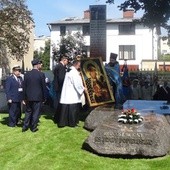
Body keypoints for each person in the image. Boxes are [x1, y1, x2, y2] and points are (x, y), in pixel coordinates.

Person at [58, 59, 86, 127]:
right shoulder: (73, 72)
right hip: (72, 94)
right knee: (72, 109)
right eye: (79, 65)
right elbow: (77, 83)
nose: (80, 67)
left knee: (66, 108)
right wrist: (83, 89)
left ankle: (64, 122)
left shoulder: (69, 70)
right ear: (77, 64)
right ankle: (72, 123)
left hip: (68, 92)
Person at [22, 58, 46, 132]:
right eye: (40, 64)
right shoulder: (41, 74)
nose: (41, 65)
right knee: (36, 113)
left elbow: (24, 87)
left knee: (28, 112)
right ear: (37, 65)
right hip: (38, 97)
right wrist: (44, 98)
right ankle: (33, 127)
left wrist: (24, 98)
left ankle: (25, 126)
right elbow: (43, 87)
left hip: (28, 97)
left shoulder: (26, 74)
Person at [53, 55, 69, 123]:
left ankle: (56, 117)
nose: (67, 62)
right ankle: (58, 117)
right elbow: (61, 78)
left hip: (57, 87)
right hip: (60, 88)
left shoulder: (57, 66)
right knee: (59, 103)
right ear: (64, 60)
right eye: (67, 61)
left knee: (57, 102)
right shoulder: (61, 67)